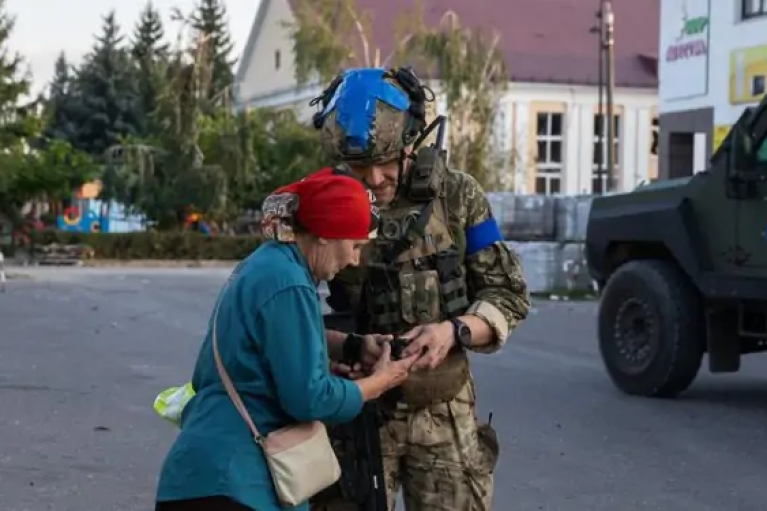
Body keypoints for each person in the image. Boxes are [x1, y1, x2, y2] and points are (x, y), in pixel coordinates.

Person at [308, 67, 532, 510]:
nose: (373, 180)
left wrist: (454, 331)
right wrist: (334, 352)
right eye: (359, 167)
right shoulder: (326, 202)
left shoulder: (458, 197)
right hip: (358, 416)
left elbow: (508, 294)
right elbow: (288, 309)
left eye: (385, 162)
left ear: (413, 144)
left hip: (444, 416)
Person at [154, 169, 419, 511]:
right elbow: (310, 399)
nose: (354, 259)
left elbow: (273, 339)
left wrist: (351, 346)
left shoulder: (265, 264)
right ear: (325, 235)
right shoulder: (290, 281)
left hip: (200, 476)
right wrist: (379, 382)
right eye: (354, 246)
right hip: (235, 484)